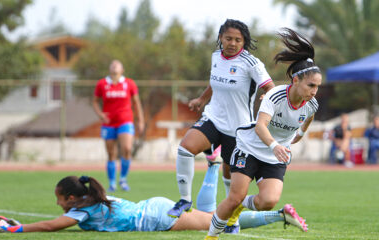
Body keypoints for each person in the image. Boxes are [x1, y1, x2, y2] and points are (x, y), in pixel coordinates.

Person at [205, 28, 320, 239]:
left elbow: (307, 121)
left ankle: (240, 207)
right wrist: (275, 145)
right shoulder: (276, 96)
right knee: (234, 198)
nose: (314, 91)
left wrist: (299, 135)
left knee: (268, 201)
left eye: (317, 87)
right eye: (310, 85)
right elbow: (260, 127)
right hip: (250, 148)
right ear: (295, 81)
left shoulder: (311, 104)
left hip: (274, 156)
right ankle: (211, 236)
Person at [168, 19, 275, 222]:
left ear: (244, 42)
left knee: (230, 177)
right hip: (213, 118)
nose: (232, 43)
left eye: (238, 40)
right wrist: (201, 99)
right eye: (228, 38)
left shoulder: (251, 63)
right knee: (185, 148)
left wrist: (267, 98)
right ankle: (184, 200)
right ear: (220, 38)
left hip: (239, 129)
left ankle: (228, 219)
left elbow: (271, 88)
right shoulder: (215, 56)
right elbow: (215, 81)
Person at [0, 173, 307, 233]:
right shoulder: (96, 198)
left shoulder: (81, 210)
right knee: (215, 219)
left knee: (216, 224)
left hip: (157, 216)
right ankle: (279, 215)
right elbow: (54, 220)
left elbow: (53, 225)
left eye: (59, 199)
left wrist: (17, 229)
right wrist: (18, 225)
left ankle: (278, 213)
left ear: (70, 198)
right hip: (156, 205)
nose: (58, 205)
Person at [92, 60, 145, 192]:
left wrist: (141, 120)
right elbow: (94, 102)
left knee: (126, 148)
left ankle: (123, 179)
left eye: (118, 64)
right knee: (111, 154)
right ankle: (112, 183)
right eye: (112, 64)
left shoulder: (129, 83)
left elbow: (137, 103)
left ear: (122, 69)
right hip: (108, 124)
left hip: (125, 121)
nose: (115, 65)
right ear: (109, 68)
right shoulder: (102, 84)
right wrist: (100, 114)